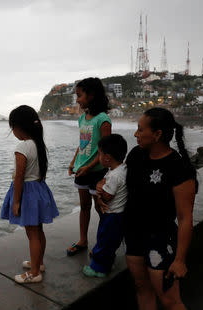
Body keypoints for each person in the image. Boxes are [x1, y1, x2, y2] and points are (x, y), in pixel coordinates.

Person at [124, 108, 197, 310]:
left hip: (161, 239)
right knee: (142, 289)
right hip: (134, 235)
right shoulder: (136, 155)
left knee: (170, 301)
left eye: (140, 129)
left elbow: (185, 218)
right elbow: (125, 185)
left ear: (157, 135)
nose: (135, 134)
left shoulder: (178, 167)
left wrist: (180, 259)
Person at [1, 105, 59, 284]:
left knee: (32, 233)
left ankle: (34, 273)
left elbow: (19, 176)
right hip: (39, 189)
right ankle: (38, 263)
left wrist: (16, 201)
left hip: (27, 193)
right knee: (38, 230)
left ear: (19, 127)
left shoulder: (22, 147)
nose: (13, 131)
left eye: (13, 127)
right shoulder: (37, 143)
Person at [67, 77, 111, 256]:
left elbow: (106, 149)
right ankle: (83, 240)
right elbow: (82, 144)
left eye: (79, 95)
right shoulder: (82, 119)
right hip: (82, 170)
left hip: (97, 172)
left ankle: (103, 243)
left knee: (100, 208)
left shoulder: (103, 119)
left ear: (91, 95)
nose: (77, 99)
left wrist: (89, 166)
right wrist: (73, 162)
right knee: (84, 206)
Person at [83, 134, 128, 277]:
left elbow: (107, 196)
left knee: (104, 240)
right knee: (111, 241)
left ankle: (99, 268)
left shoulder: (115, 176)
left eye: (100, 154)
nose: (99, 157)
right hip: (118, 215)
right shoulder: (121, 169)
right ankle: (107, 262)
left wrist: (100, 195)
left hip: (112, 216)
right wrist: (100, 184)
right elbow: (103, 181)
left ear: (107, 157)